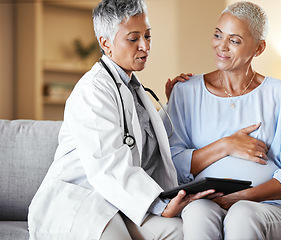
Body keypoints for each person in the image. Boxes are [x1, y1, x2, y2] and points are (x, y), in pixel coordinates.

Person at [27, 0, 215, 239]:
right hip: (82, 199)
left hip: (119, 200)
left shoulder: (133, 88)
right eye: (133, 39)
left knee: (179, 232)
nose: (145, 46)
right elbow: (107, 164)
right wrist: (159, 207)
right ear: (106, 43)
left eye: (147, 36)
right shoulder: (93, 90)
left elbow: (142, 140)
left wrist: (174, 102)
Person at [163, 1, 281, 239]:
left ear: (259, 48)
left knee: (242, 214)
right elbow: (171, 162)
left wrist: (244, 196)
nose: (221, 47)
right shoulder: (185, 92)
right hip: (206, 201)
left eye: (234, 41)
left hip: (270, 206)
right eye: (217, 35)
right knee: (196, 212)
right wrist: (227, 145)